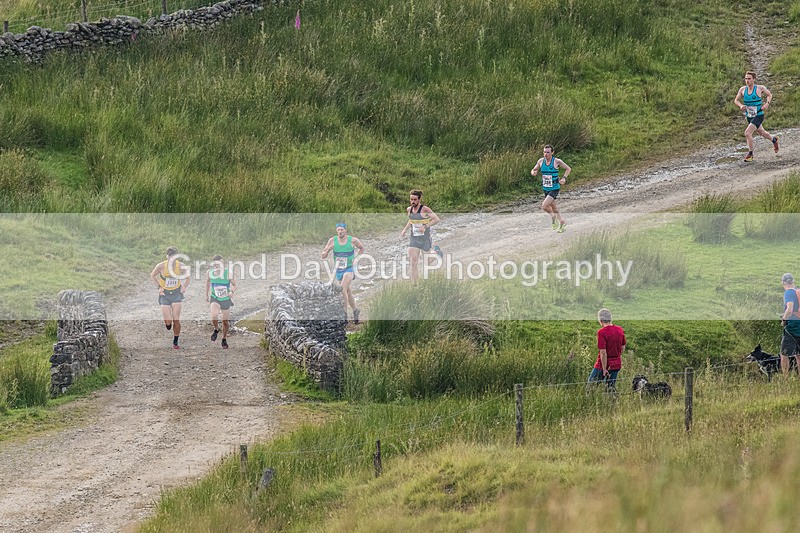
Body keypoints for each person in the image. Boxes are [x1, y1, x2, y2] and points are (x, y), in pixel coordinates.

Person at [321, 222, 365, 324]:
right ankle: (355, 310)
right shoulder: (332, 240)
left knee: (342, 289)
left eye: (342, 230)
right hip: (339, 269)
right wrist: (327, 250)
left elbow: (362, 248)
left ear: (345, 230)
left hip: (349, 268)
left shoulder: (352, 240)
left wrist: (356, 258)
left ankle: (344, 314)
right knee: (347, 291)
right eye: (338, 230)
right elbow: (323, 256)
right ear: (336, 231)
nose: (340, 232)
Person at [734, 71, 779, 162]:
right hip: (749, 116)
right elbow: (736, 100)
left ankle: (750, 154)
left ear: (754, 79)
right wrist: (741, 106)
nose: (747, 81)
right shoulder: (742, 89)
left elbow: (769, 95)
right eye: (746, 78)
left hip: (759, 115)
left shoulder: (759, 88)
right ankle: (774, 140)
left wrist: (767, 104)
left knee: (747, 133)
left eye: (749, 79)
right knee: (762, 133)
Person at [150, 246, 189, 349]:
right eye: (170, 256)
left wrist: (184, 286)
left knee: (176, 319)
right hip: (165, 294)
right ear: (167, 256)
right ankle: (168, 324)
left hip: (176, 294)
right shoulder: (161, 266)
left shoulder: (181, 266)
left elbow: (188, 277)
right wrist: (159, 287)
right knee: (168, 321)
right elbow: (152, 275)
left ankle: (176, 340)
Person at [401, 190, 441, 282]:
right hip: (414, 239)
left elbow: (436, 219)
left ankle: (436, 253)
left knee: (426, 262)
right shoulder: (409, 209)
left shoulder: (425, 209)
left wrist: (425, 226)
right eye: (411, 199)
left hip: (425, 239)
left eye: (415, 199)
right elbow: (411, 221)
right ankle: (415, 285)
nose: (413, 202)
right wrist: (404, 230)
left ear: (419, 199)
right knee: (413, 262)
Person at [530, 144, 571, 233]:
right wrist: (533, 172)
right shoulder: (541, 161)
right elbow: (534, 169)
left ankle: (553, 217)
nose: (546, 154)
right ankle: (562, 222)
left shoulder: (557, 161)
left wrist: (564, 178)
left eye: (548, 152)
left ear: (552, 152)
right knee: (554, 207)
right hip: (546, 188)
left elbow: (568, 169)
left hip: (554, 188)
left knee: (544, 206)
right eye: (544, 152)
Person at [588, 308, 626, 391]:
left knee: (591, 386)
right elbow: (623, 347)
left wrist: (604, 369)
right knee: (610, 388)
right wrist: (616, 356)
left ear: (600, 320)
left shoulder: (601, 332)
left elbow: (603, 353)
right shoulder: (619, 329)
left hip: (603, 365)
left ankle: (591, 402)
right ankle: (612, 402)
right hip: (616, 363)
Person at [205, 255, 237, 349]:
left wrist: (232, 291)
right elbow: (207, 282)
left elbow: (235, 285)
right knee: (214, 315)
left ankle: (223, 339)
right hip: (215, 297)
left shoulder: (228, 273)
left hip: (226, 299)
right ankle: (216, 329)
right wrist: (206, 294)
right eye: (216, 264)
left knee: (225, 321)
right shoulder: (210, 272)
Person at [780, 273, 800, 375]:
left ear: (783, 282)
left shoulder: (789, 293)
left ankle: (785, 378)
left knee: (784, 353)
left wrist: (784, 319)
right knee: (798, 354)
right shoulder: (798, 291)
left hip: (792, 326)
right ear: (793, 281)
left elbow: (790, 308)